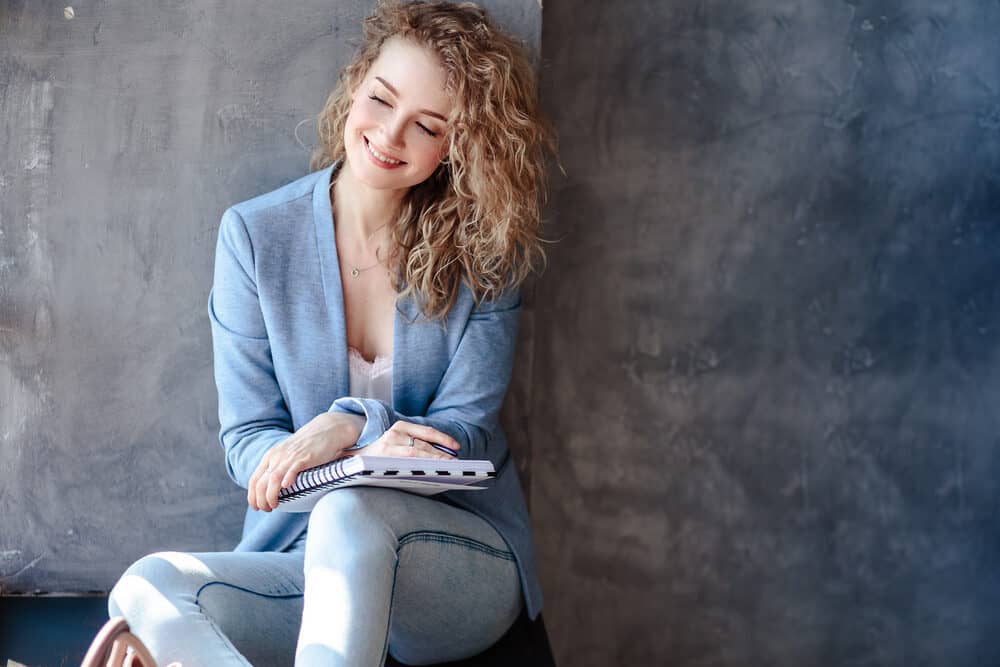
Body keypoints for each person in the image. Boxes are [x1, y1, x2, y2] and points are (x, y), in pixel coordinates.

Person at [105, 1, 557, 665]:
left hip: (458, 562)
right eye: (382, 98)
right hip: (305, 559)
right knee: (148, 586)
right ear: (356, 82)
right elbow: (248, 442)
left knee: (350, 514)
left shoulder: (486, 255)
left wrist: (349, 425)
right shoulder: (255, 238)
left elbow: (468, 431)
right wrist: (334, 438)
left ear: (454, 147)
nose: (391, 135)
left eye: (427, 126)